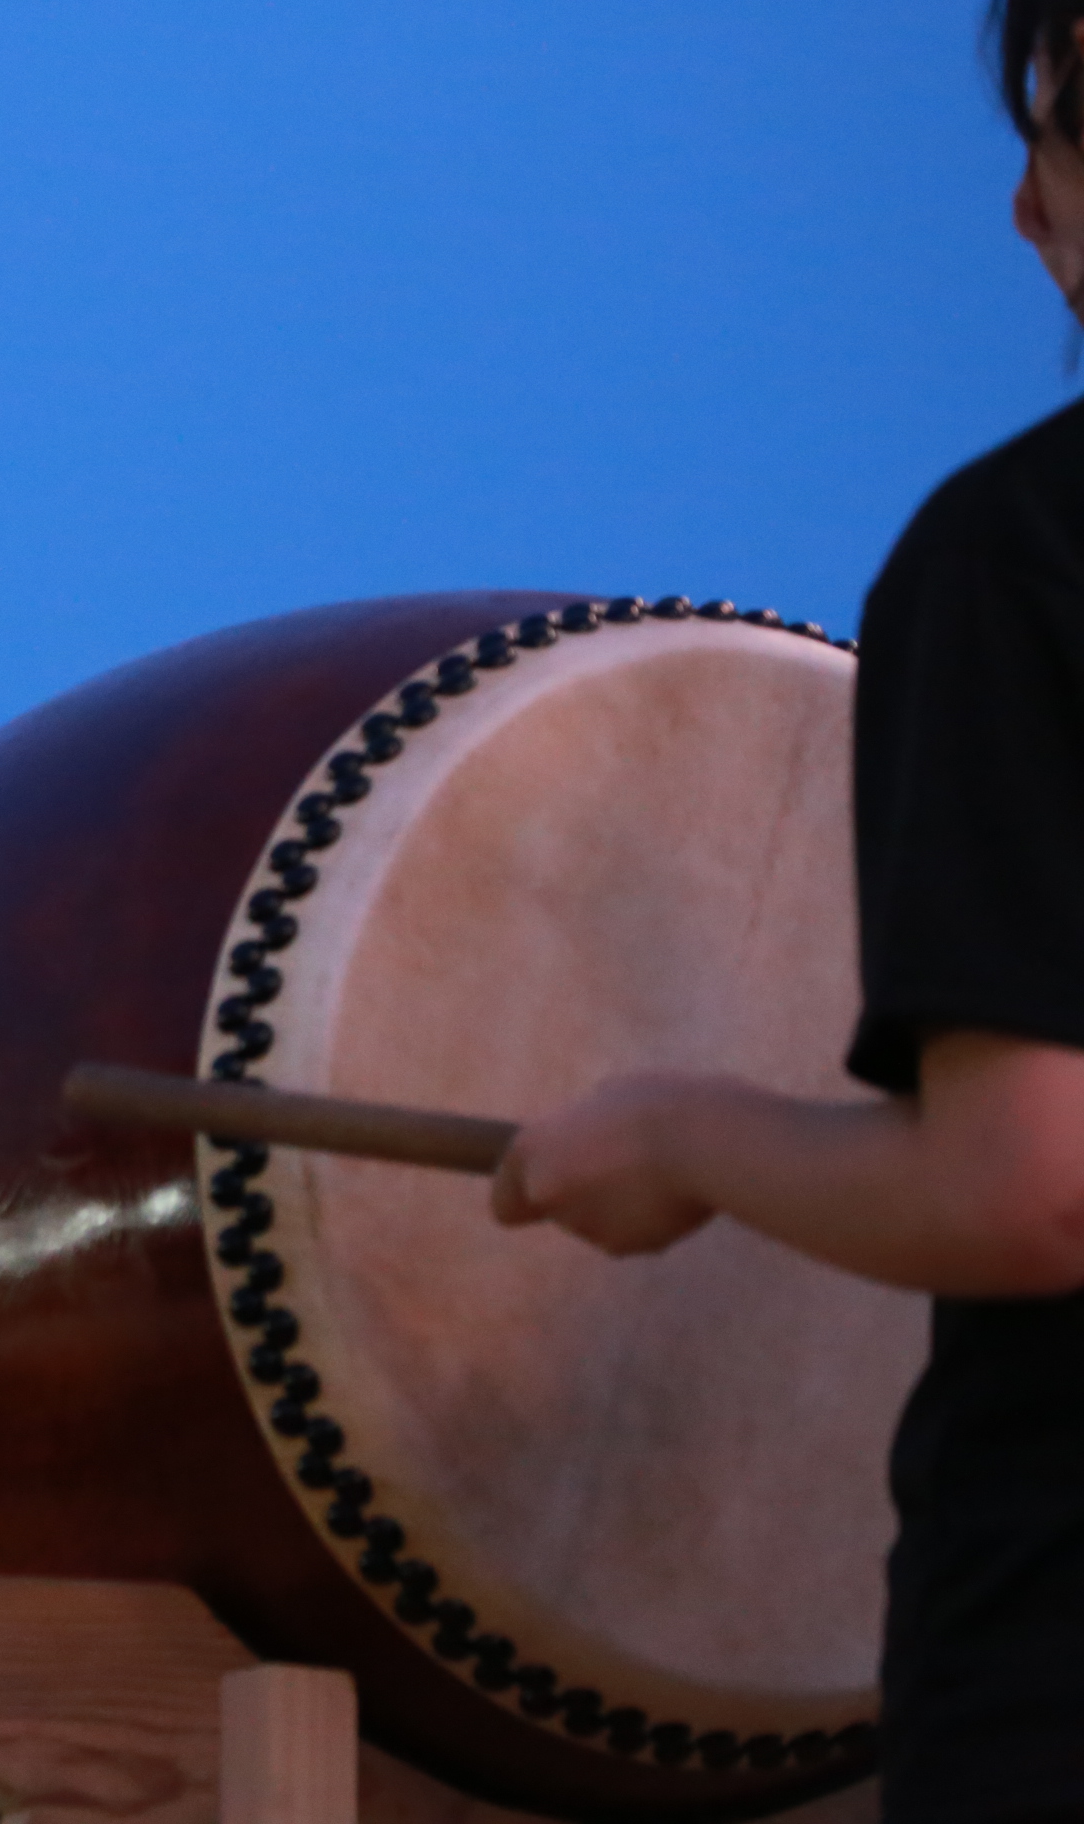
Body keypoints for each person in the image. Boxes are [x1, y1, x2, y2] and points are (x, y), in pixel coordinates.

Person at [490, 5, 1084, 1816]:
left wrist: (687, 1131)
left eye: (1055, 123)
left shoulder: (1026, 554)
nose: (1017, 207)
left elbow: (1034, 1182)